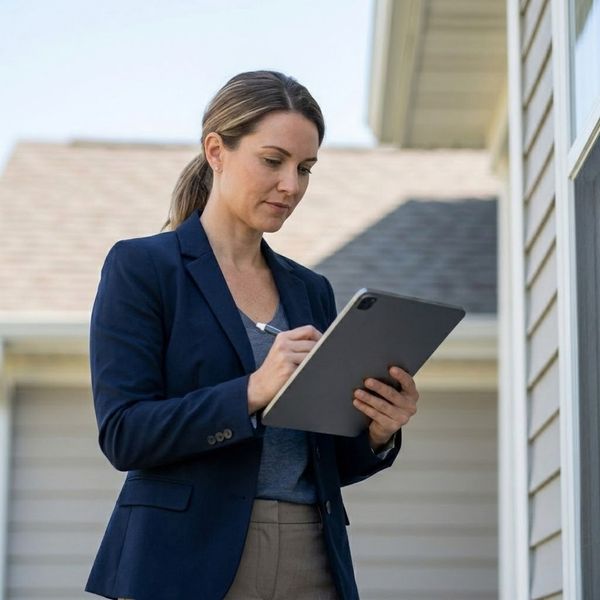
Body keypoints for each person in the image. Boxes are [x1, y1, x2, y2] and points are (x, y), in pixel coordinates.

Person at [85, 70, 419, 600]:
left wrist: (378, 430)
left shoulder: (310, 289)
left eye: (305, 168)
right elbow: (125, 434)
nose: (292, 185)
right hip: (182, 559)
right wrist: (252, 391)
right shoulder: (143, 267)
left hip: (312, 553)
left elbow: (326, 459)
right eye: (273, 161)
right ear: (216, 150)